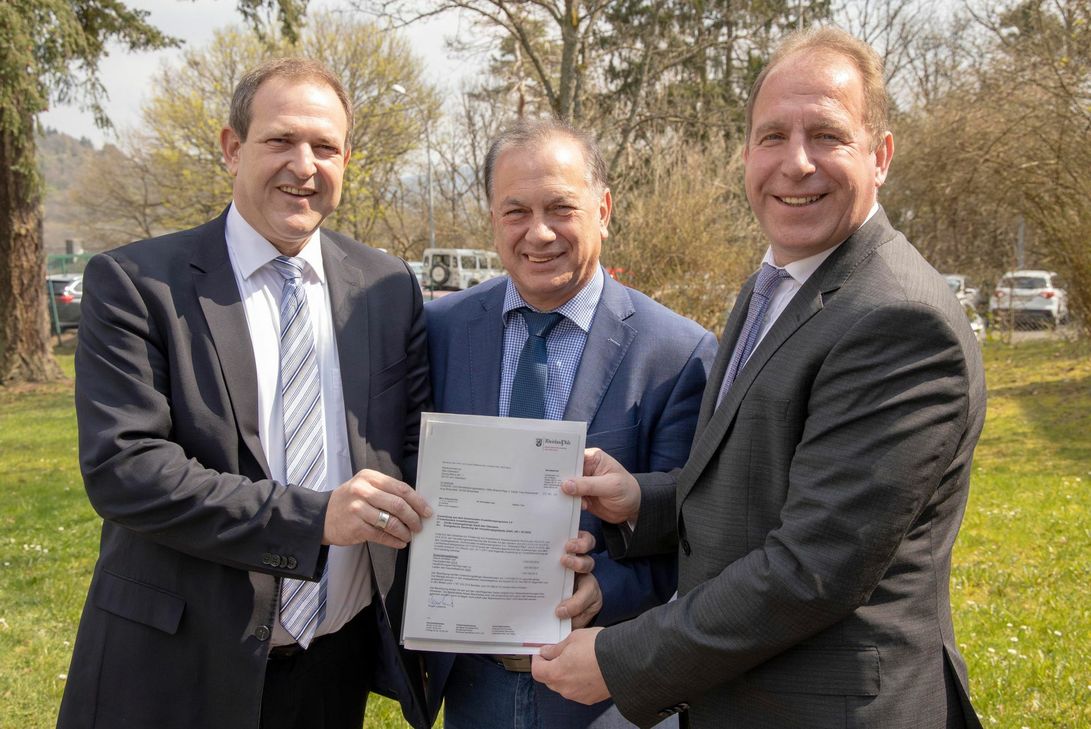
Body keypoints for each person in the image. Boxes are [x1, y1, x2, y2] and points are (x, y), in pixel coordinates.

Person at [532, 26, 987, 729]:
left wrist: (622, 658)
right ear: (744, 154)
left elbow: (810, 567)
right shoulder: (776, 282)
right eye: (772, 136)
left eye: (827, 135)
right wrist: (644, 502)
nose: (794, 163)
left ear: (881, 155)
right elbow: (755, 489)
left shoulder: (896, 319)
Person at [57, 58, 440, 729]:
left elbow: (413, 447)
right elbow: (126, 471)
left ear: (346, 160)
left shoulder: (387, 287)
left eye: (325, 147)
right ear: (232, 148)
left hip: (333, 663)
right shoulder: (137, 283)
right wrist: (312, 519)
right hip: (179, 662)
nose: (304, 164)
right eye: (279, 141)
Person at [425, 118, 717, 728]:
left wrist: (607, 591)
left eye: (561, 207)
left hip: (606, 688)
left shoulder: (677, 355)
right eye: (516, 211)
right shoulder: (440, 332)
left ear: (603, 210)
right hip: (471, 683)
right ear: (492, 218)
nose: (539, 233)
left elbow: (698, 530)